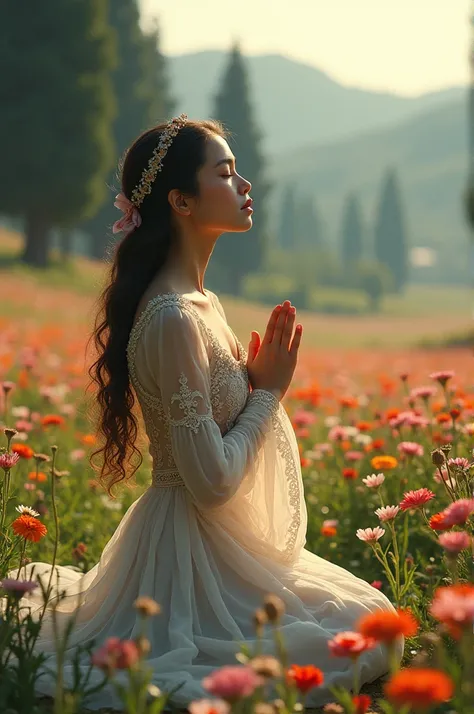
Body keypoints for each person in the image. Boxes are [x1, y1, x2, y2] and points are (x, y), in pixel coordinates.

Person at [8, 115, 402, 710]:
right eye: (225, 172)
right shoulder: (171, 316)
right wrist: (268, 393)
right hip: (187, 549)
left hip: (221, 544)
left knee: (367, 617)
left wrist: (249, 385)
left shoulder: (202, 303)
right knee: (341, 641)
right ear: (181, 200)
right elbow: (211, 482)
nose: (244, 184)